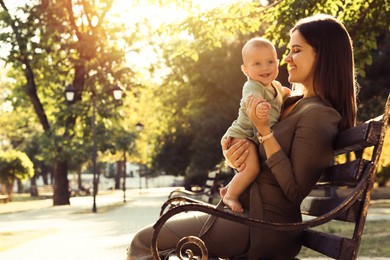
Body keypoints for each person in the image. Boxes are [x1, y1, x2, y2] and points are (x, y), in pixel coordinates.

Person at [126, 14, 358, 259]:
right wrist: (234, 152)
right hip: (248, 216)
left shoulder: (320, 115)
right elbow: (258, 147)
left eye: (297, 50)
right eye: (288, 50)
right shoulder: (291, 103)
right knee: (151, 237)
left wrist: (265, 132)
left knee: (144, 241)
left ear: (323, 55)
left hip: (264, 227)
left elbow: (294, 190)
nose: (287, 58)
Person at [220, 37, 290, 213]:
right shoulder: (252, 86)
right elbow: (253, 100)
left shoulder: (276, 86)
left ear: (278, 63)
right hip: (242, 135)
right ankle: (230, 196)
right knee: (252, 169)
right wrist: (259, 107)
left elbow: (281, 94)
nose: (265, 68)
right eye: (257, 64)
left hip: (252, 136)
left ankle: (228, 188)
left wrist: (286, 94)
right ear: (246, 70)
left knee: (250, 168)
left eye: (270, 62)